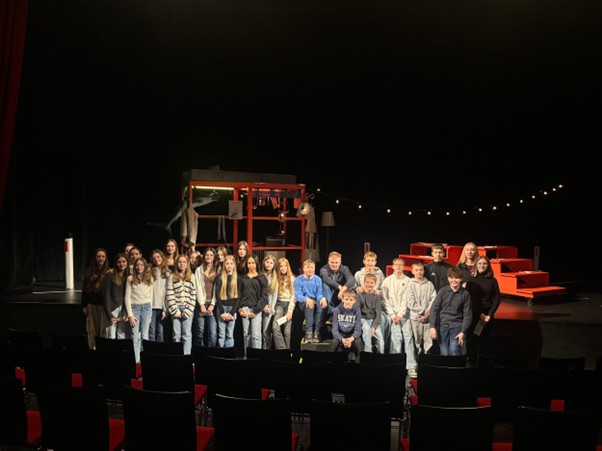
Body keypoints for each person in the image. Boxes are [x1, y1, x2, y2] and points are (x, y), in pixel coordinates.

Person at [382, 258, 418, 378]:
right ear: (392, 266)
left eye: (401, 265)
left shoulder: (408, 281)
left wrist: (400, 314)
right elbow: (384, 299)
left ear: (404, 267)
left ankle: (411, 366)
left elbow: (406, 299)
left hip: (405, 314)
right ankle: (396, 364)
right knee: (396, 338)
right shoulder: (387, 280)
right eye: (396, 265)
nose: (398, 267)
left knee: (408, 338)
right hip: (393, 315)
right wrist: (393, 315)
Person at [464, 255, 501, 366]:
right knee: (472, 340)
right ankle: (471, 362)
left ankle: (482, 364)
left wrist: (489, 314)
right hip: (474, 314)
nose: (482, 266)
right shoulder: (471, 280)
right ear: (476, 265)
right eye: (479, 263)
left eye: (484, 264)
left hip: (487, 316)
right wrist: (480, 314)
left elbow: (497, 298)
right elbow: (469, 299)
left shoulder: (493, 280)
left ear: (488, 266)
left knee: (484, 340)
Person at [429, 266, 472, 357]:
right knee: (444, 353)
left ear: (461, 279)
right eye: (451, 278)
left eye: (457, 278)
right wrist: (432, 327)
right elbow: (434, 309)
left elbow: (468, 315)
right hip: (443, 325)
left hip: (457, 326)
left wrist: (463, 332)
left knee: (454, 351)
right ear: (448, 279)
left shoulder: (465, 294)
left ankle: (455, 367)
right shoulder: (443, 291)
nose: (454, 280)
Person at [318, 251, 356, 336]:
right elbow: (326, 279)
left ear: (340, 262)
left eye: (336, 262)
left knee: (349, 288)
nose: (334, 264)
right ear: (328, 262)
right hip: (327, 294)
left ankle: (334, 313)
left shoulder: (344, 268)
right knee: (325, 285)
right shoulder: (324, 269)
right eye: (332, 262)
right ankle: (332, 311)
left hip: (339, 295)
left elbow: (351, 279)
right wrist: (339, 286)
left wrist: (343, 289)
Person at [355, 251, 387, 348]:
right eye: (368, 260)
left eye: (372, 261)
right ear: (364, 261)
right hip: (363, 305)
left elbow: (383, 289)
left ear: (375, 262)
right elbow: (354, 289)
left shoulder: (379, 274)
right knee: (366, 329)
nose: (370, 263)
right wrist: (358, 289)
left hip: (376, 303)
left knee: (384, 320)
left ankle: (381, 347)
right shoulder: (359, 274)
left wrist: (378, 292)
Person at [124, 257, 154, 362]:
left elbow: (151, 296)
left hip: (146, 308)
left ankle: (145, 360)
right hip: (135, 309)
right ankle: (136, 360)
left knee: (145, 335)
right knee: (135, 335)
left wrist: (150, 312)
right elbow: (127, 297)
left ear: (145, 266)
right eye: (137, 265)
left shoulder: (150, 278)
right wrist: (130, 315)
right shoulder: (130, 279)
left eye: (141, 265)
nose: (139, 267)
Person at [405, 261, 437, 357]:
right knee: (416, 341)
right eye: (417, 270)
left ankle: (427, 361)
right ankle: (416, 362)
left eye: (421, 270)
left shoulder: (429, 284)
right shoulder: (410, 284)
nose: (419, 272)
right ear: (412, 271)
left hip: (427, 318)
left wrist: (427, 313)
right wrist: (422, 311)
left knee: (428, 341)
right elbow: (410, 302)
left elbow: (433, 299)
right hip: (415, 318)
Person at [166, 254, 197, 354]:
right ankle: (177, 357)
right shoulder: (172, 277)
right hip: (176, 308)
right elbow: (170, 295)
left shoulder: (192, 277)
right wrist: (176, 311)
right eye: (180, 262)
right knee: (176, 335)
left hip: (188, 308)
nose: (182, 264)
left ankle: (186, 357)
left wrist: (188, 311)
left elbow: (193, 295)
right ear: (176, 264)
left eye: (184, 262)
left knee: (186, 334)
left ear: (187, 264)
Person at [81, 248, 111, 349]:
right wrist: (84, 306)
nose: (101, 258)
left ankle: (102, 349)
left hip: (103, 306)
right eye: (98, 256)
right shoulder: (89, 271)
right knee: (91, 329)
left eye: (103, 256)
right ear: (95, 258)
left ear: (106, 258)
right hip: (91, 305)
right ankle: (92, 349)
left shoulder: (109, 272)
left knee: (102, 329)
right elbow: (84, 290)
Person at [239, 253, 268, 353]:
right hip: (245, 309)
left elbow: (264, 297)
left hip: (257, 310)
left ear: (256, 264)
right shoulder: (242, 278)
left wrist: (256, 311)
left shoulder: (262, 278)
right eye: (249, 263)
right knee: (246, 335)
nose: (251, 265)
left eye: (253, 263)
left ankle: (257, 357)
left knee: (256, 335)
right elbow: (239, 295)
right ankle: (246, 357)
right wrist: (240, 309)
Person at [294, 259, 327, 343]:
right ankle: (309, 332)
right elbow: (298, 295)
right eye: (308, 267)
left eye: (312, 267)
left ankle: (317, 332)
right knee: (309, 305)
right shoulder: (298, 279)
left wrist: (322, 298)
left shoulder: (317, 279)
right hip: (303, 301)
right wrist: (306, 299)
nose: (310, 269)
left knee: (320, 304)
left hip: (315, 299)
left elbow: (319, 293)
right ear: (303, 269)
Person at [215, 255, 242, 348]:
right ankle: (221, 353)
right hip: (221, 308)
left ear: (234, 265)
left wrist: (232, 313)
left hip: (232, 308)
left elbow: (238, 297)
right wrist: (222, 312)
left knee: (230, 334)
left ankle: (229, 354)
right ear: (224, 265)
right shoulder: (220, 277)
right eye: (227, 264)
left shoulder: (238, 278)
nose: (229, 266)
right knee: (221, 334)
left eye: (231, 263)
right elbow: (217, 295)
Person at [193, 247, 218, 347]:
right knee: (200, 331)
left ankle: (210, 353)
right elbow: (198, 288)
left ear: (214, 257)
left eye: (211, 255)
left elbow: (218, 289)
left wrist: (212, 304)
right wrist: (201, 304)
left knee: (213, 332)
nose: (209, 257)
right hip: (201, 304)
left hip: (213, 304)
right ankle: (200, 353)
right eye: (207, 255)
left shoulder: (218, 269)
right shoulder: (199, 270)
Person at [329, 288, 363, 361]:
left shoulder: (357, 310)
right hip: (341, 334)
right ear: (342, 299)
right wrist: (342, 340)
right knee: (334, 342)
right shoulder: (336, 310)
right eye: (346, 299)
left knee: (358, 342)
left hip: (351, 334)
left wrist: (351, 339)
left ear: (354, 301)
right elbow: (334, 330)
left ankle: (359, 363)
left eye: (351, 300)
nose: (348, 302)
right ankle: (330, 362)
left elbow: (358, 330)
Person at [102, 252, 129, 339]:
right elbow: (106, 294)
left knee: (122, 334)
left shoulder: (128, 276)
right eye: (119, 262)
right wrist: (109, 314)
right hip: (112, 309)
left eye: (124, 261)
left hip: (123, 309)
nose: (121, 264)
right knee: (111, 335)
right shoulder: (110, 275)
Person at [272, 257, 296, 350]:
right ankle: (283, 350)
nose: (283, 268)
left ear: (287, 267)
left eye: (284, 266)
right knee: (275, 327)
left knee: (287, 331)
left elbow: (294, 296)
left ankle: (288, 351)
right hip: (279, 303)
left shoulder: (292, 278)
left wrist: (290, 311)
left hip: (289, 304)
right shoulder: (276, 278)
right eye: (281, 266)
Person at [357, 273, 385, 354]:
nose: (369, 284)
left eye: (371, 283)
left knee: (381, 341)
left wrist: (373, 327)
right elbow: (357, 311)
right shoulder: (359, 295)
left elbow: (378, 313)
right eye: (367, 282)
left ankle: (381, 358)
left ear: (375, 284)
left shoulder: (376, 296)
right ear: (364, 283)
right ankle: (368, 355)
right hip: (363, 319)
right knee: (366, 330)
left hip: (373, 320)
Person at [149, 249, 170, 342]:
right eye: (154, 258)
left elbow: (167, 292)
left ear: (162, 257)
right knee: (151, 331)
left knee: (160, 331)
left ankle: (159, 350)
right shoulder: (149, 271)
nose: (156, 259)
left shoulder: (167, 273)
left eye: (158, 257)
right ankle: (151, 350)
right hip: (151, 306)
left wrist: (165, 309)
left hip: (162, 306)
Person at [261, 254, 278, 349]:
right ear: (264, 263)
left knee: (265, 330)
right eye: (267, 262)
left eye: (271, 263)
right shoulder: (260, 275)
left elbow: (275, 295)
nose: (269, 264)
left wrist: (271, 308)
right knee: (259, 330)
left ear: (273, 265)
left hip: (269, 308)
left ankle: (266, 348)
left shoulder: (275, 277)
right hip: (260, 306)